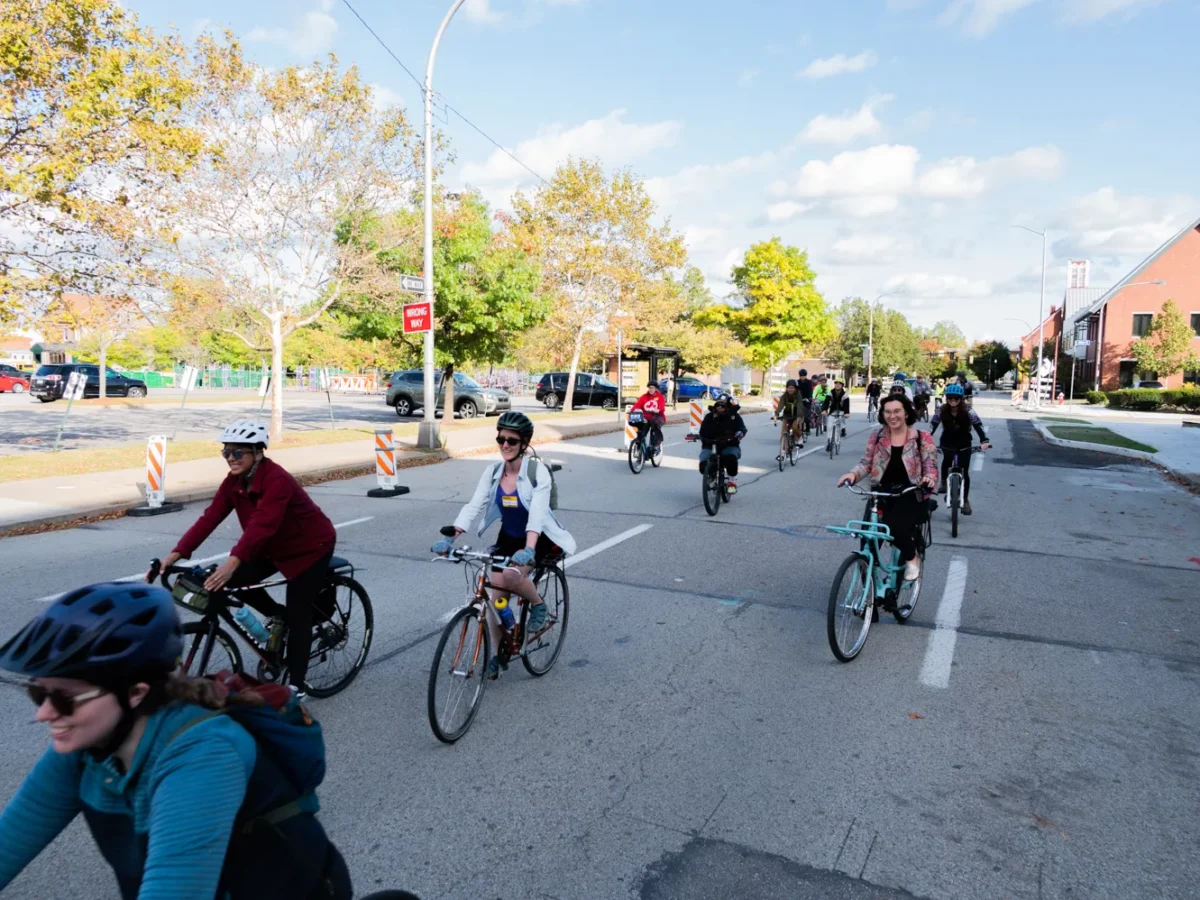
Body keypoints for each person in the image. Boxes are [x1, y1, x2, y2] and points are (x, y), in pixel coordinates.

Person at [0, 582, 352, 900]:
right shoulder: (86, 744)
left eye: (65, 699)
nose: (43, 713)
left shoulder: (204, 754)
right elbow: (11, 839)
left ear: (136, 693)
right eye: (38, 693)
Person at [151, 420, 336, 694]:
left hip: (309, 547)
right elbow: (210, 518)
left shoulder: (277, 480)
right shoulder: (234, 482)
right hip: (270, 547)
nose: (231, 459)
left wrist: (232, 562)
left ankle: (295, 686)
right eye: (226, 452)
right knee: (233, 583)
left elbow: (263, 525)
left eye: (238, 453)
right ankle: (277, 617)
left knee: (299, 614)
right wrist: (176, 554)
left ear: (257, 453)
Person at [433, 411, 576, 678]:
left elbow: (537, 514)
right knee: (497, 599)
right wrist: (451, 537)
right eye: (501, 439)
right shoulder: (492, 472)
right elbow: (474, 505)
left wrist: (529, 549)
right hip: (509, 537)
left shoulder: (537, 472)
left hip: (538, 537)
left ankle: (538, 604)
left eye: (512, 440)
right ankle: (498, 654)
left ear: (524, 443)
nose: (505, 445)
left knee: (511, 576)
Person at [837, 394, 937, 582]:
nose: (893, 416)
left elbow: (930, 465)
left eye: (897, 411)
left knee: (894, 526)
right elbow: (866, 462)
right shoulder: (877, 436)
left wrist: (929, 478)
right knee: (869, 541)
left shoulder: (921, 437)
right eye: (888, 412)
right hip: (881, 492)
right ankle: (868, 597)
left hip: (910, 492)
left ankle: (911, 557)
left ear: (906, 413)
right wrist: (853, 474)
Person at [930, 383, 991, 515]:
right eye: (950, 398)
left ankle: (965, 500)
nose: (953, 400)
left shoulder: (968, 410)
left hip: (964, 441)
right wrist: (926, 439)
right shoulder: (941, 409)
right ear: (946, 398)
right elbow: (933, 425)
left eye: (956, 398)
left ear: (961, 399)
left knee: (964, 471)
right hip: (947, 440)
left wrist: (984, 440)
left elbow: (978, 425)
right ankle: (944, 483)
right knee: (946, 460)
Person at [698, 393, 747, 494]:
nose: (720, 407)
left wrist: (739, 434)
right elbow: (702, 431)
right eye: (718, 405)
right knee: (703, 463)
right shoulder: (709, 417)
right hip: (710, 445)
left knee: (731, 459)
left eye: (723, 406)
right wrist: (701, 437)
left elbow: (742, 429)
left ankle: (732, 482)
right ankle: (711, 476)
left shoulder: (734, 417)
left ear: (727, 407)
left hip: (729, 444)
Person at [630, 380, 668, 451]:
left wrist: (658, 409)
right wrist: (632, 410)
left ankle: (655, 445)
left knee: (655, 428)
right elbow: (637, 404)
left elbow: (662, 407)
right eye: (650, 388)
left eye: (652, 388)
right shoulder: (644, 397)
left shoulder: (660, 397)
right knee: (641, 432)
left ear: (656, 389)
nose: (651, 389)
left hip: (657, 417)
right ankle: (640, 450)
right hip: (646, 418)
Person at [774, 379, 804, 454]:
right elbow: (780, 406)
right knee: (783, 433)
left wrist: (799, 417)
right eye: (789, 388)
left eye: (792, 388)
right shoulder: (784, 396)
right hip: (787, 415)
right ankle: (783, 452)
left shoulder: (798, 395)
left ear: (795, 388)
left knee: (794, 427)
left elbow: (800, 406)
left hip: (797, 415)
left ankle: (800, 438)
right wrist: (776, 414)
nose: (790, 389)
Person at [795, 369, 815, 437]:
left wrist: (809, 398)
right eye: (801, 376)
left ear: (806, 376)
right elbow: (796, 390)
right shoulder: (797, 382)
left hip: (807, 400)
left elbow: (810, 391)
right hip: (799, 400)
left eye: (803, 376)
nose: (802, 377)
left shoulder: (809, 382)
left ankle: (808, 428)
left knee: (806, 415)